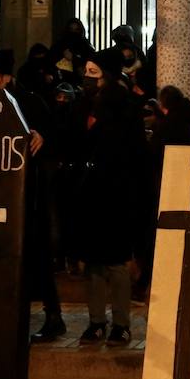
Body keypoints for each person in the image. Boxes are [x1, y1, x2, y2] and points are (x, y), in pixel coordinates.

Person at [61, 50, 149, 346]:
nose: (87, 77)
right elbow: (73, 141)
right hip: (87, 192)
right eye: (85, 71)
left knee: (116, 261)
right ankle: (96, 320)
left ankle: (121, 323)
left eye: (94, 72)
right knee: (93, 261)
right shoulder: (81, 104)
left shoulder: (125, 107)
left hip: (115, 191)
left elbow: (135, 152)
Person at [0, 49, 59, 341]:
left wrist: (41, 136)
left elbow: (52, 135)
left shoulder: (31, 102)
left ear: (7, 78)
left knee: (35, 252)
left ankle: (52, 315)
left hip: (28, 192)